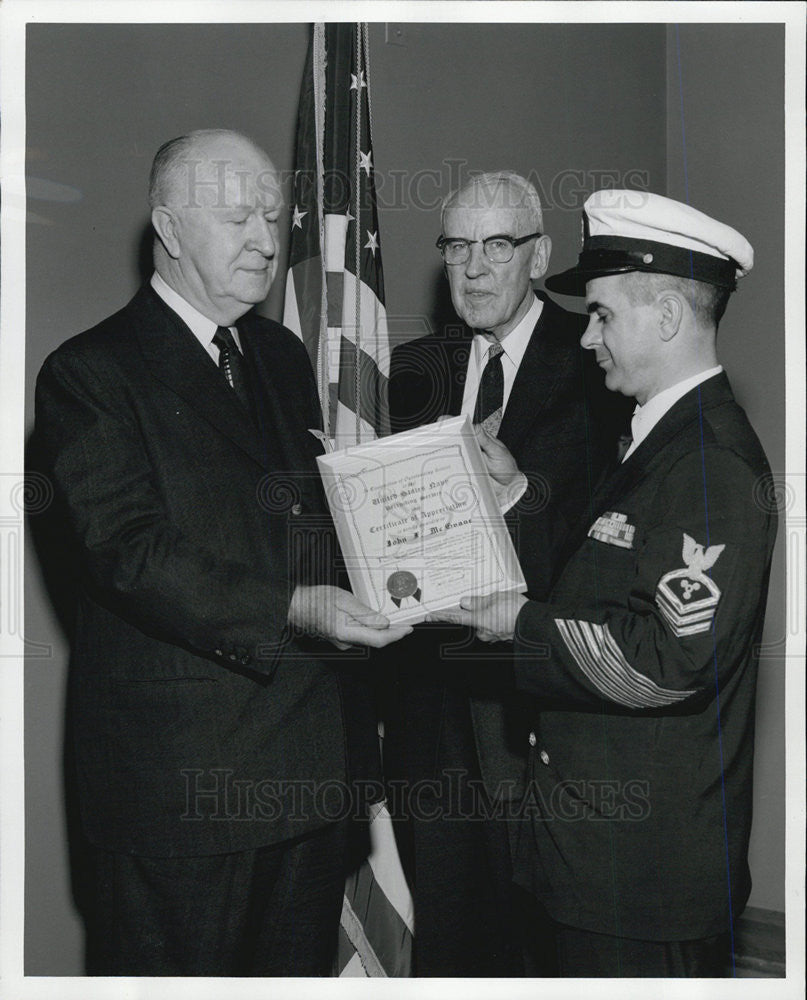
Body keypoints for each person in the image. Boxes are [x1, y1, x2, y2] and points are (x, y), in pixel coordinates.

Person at [32, 129, 411, 976]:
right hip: (182, 795)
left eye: (273, 218)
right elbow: (127, 551)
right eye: (239, 217)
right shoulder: (89, 372)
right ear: (168, 230)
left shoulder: (277, 353)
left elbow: (310, 522)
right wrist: (293, 607)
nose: (268, 242)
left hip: (310, 779)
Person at [434, 189, 777, 976]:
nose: (586, 338)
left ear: (663, 317)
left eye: (601, 316)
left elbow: (667, 662)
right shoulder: (655, 442)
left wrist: (514, 625)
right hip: (592, 860)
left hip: (640, 878)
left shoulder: (710, 464)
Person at [383, 172, 627, 975]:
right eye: (457, 246)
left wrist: (519, 490)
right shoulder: (407, 370)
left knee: (542, 946)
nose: (474, 268)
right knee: (449, 941)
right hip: (431, 707)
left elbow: (611, 543)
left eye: (496, 246)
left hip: (538, 709)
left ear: (538, 256)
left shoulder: (600, 358)